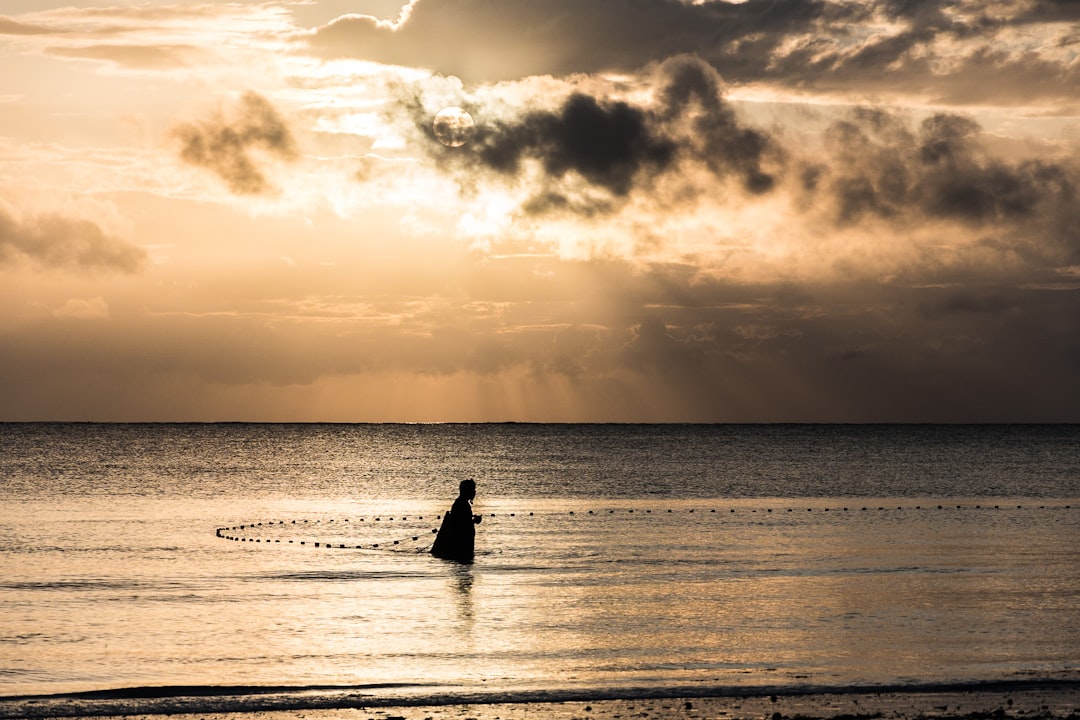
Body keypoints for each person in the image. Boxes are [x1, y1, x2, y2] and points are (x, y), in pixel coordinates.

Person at [430, 479, 482, 563]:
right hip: (461, 545)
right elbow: (461, 525)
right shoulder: (462, 505)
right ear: (466, 491)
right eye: (472, 490)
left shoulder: (461, 503)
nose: (474, 492)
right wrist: (475, 521)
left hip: (463, 545)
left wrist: (473, 521)